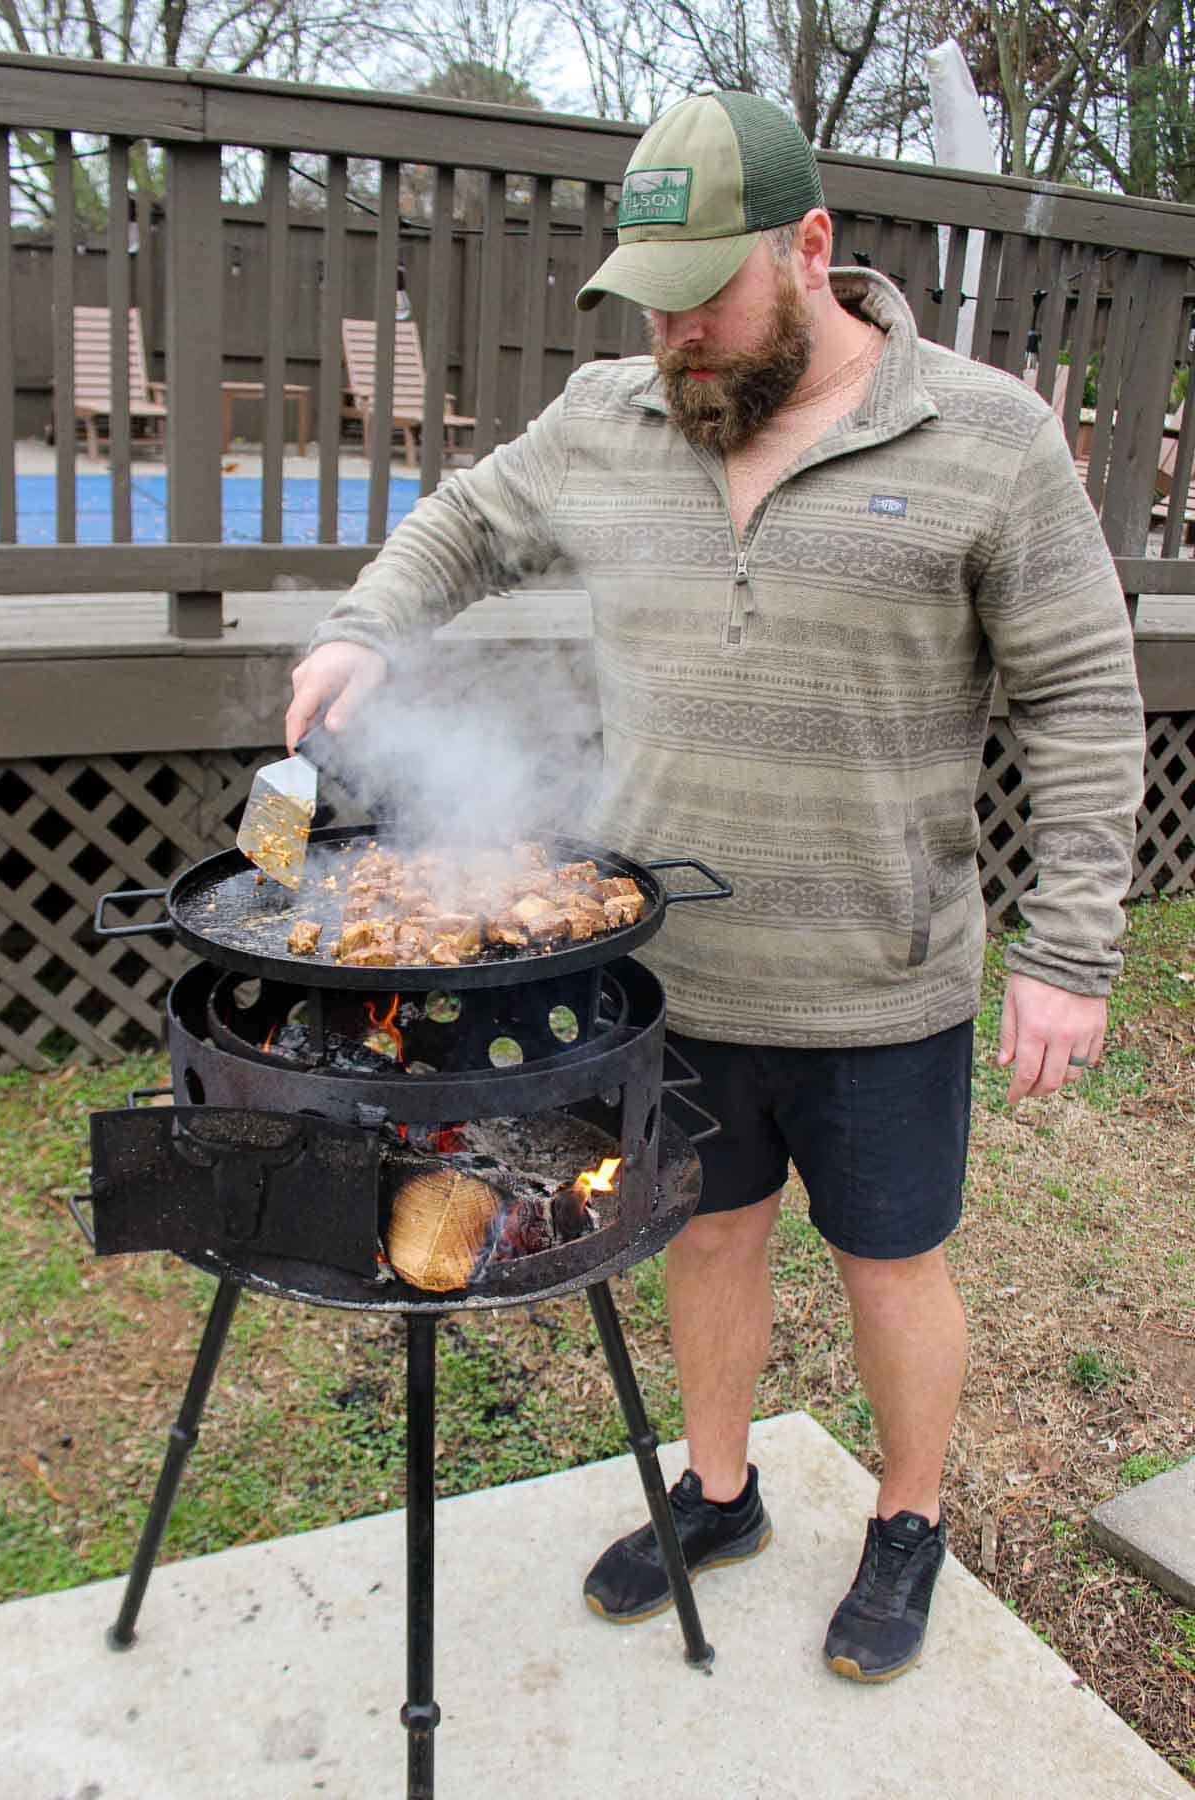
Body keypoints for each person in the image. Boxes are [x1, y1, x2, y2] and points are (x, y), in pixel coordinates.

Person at [285, 91, 1146, 1683]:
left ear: (811, 249)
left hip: (880, 972)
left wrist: (1072, 949)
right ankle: (723, 1490)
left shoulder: (987, 437)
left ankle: (908, 1520)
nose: (678, 334)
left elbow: (1085, 702)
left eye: (709, 294)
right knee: (707, 1236)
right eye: (654, 301)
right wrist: (362, 627)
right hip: (670, 967)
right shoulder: (615, 415)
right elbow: (466, 521)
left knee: (892, 1260)